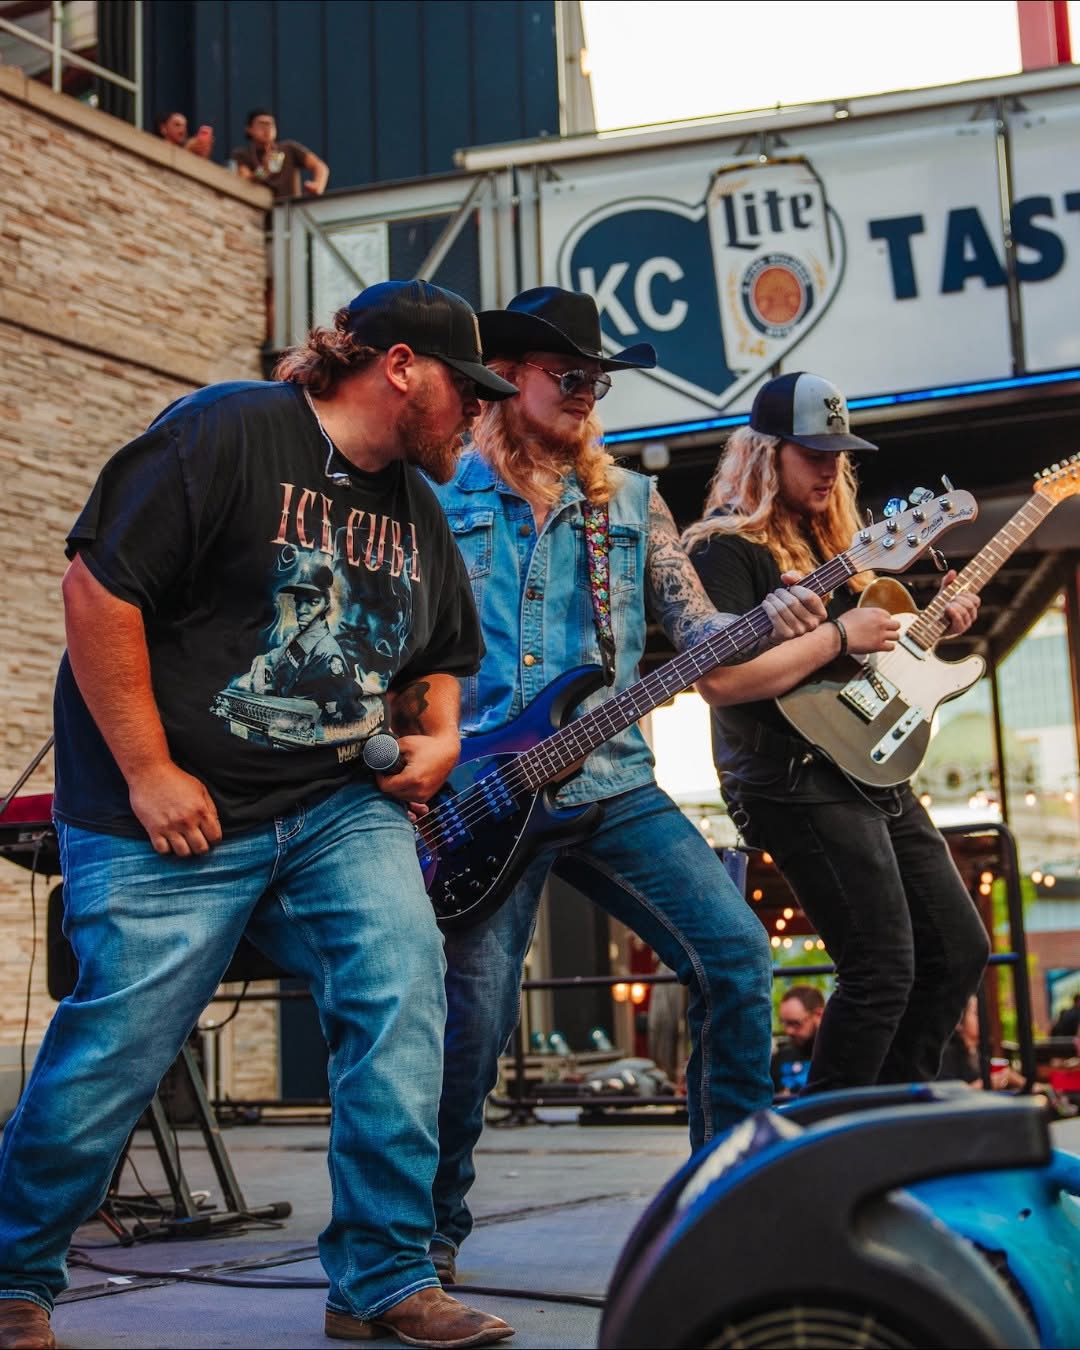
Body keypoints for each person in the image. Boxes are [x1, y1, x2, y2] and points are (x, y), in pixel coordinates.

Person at [0, 280, 520, 1350]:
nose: (478, 412)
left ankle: (384, 1278)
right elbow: (99, 591)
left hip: (334, 807)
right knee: (121, 1043)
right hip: (170, 811)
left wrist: (439, 736)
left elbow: (440, 659)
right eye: (467, 389)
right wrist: (148, 769)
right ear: (400, 367)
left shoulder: (419, 513)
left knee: (401, 986)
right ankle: (12, 1275)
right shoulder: (228, 432)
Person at [426, 287, 826, 1284]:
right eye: (568, 376)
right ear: (505, 379)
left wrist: (780, 616)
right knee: (472, 1024)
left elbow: (698, 635)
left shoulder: (634, 505)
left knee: (736, 953)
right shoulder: (440, 494)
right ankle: (426, 1236)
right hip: (477, 792)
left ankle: (725, 1206)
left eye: (597, 383)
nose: (585, 395)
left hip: (609, 780)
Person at [684, 370, 990, 1098]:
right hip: (788, 776)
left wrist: (929, 627)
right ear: (767, 455)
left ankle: (889, 1120)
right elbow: (719, 680)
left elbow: (862, 664)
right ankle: (827, 1141)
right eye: (813, 454)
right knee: (881, 966)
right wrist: (838, 635)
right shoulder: (724, 549)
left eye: (838, 456)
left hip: (866, 764)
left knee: (958, 950)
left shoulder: (844, 547)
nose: (829, 469)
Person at [230, 108, 329, 199]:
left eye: (271, 124)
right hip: (259, 208)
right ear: (249, 129)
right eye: (261, 124)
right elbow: (245, 180)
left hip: (289, 207)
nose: (267, 128)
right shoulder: (242, 154)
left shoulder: (289, 149)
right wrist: (264, 170)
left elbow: (320, 166)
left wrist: (318, 186)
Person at [770, 984, 826, 1098]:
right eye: (784, 1023)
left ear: (819, 1015)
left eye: (795, 1023)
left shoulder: (837, 1058)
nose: (788, 1031)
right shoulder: (780, 1057)